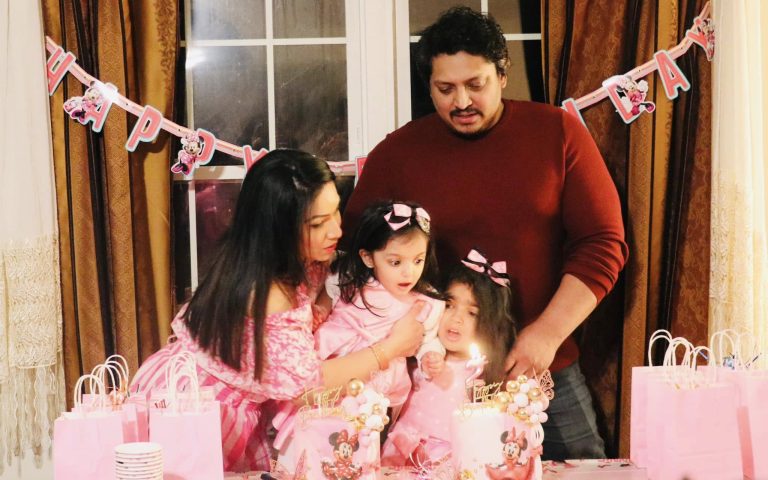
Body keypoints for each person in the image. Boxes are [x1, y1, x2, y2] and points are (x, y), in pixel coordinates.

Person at [342, 7, 629, 460]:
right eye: (445, 89)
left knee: (582, 468)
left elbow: (603, 243)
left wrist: (547, 334)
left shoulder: (558, 132)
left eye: (475, 85)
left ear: (502, 74)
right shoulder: (398, 153)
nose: (462, 101)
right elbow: (353, 252)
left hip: (541, 365)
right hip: (436, 375)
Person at [130, 149, 425, 472]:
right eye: (318, 223)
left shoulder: (278, 255)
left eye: (335, 212)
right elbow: (307, 386)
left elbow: (319, 288)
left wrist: (319, 308)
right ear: (279, 229)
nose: (336, 231)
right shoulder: (268, 291)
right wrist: (391, 348)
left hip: (196, 392)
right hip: (196, 408)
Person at [271, 200, 445, 457]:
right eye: (395, 262)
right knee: (317, 435)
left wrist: (431, 354)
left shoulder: (422, 303)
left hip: (377, 386)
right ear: (368, 257)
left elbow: (426, 338)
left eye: (418, 261)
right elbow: (325, 300)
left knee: (361, 445)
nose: (409, 272)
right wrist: (318, 315)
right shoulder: (348, 280)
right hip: (335, 364)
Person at [381, 249, 517, 466]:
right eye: (449, 305)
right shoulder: (423, 351)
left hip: (449, 462)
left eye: (472, 313)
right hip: (403, 452)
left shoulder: (484, 372)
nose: (456, 318)